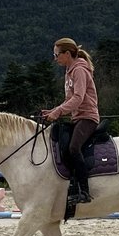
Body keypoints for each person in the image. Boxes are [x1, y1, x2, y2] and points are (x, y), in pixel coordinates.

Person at [40, 37, 99, 204]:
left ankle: (84, 191)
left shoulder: (79, 70)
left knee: (74, 148)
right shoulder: (69, 71)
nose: (55, 58)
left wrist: (58, 112)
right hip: (77, 117)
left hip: (87, 117)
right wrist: (53, 111)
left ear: (67, 53)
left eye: (57, 54)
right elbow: (69, 100)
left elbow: (78, 98)